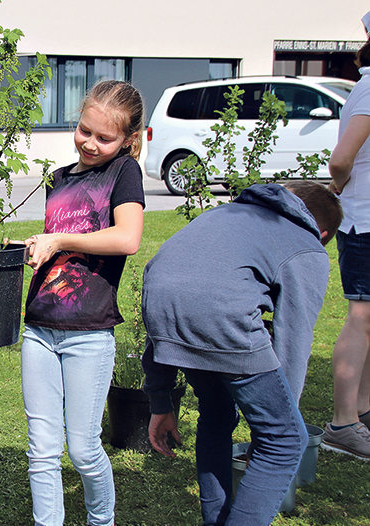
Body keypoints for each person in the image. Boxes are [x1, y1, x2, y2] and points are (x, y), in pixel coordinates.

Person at [143, 181, 343, 526]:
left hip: (161, 304)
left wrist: (161, 401)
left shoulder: (225, 214)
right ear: (322, 233)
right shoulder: (307, 245)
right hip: (222, 316)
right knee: (285, 442)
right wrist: (279, 426)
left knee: (218, 413)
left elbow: (170, 289)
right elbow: (295, 337)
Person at [20, 79, 146, 526]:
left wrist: (59, 239)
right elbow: (62, 248)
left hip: (89, 332)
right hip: (39, 326)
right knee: (42, 447)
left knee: (84, 448)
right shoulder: (59, 179)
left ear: (129, 140)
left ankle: (101, 520)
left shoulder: (124, 173)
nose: (89, 143)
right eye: (84, 130)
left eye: (104, 137)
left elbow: (127, 238)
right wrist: (39, 244)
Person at [325, 36, 370, 459]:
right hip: (365, 223)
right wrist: (338, 187)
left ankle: (361, 411)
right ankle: (343, 423)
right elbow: (341, 159)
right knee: (363, 317)